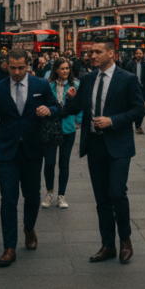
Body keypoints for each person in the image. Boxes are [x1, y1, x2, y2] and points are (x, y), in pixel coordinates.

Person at [61, 39, 145, 263]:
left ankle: (125, 239)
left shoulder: (127, 79)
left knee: (117, 192)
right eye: (90, 52)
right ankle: (108, 244)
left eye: (97, 52)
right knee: (101, 199)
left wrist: (112, 121)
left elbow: (138, 110)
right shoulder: (87, 79)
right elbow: (75, 107)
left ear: (111, 54)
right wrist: (66, 99)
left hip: (119, 145)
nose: (92, 55)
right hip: (95, 146)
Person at [0, 49, 61, 267]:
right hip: (7, 151)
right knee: (8, 199)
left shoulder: (40, 86)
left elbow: (57, 107)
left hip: (33, 150)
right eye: (13, 68)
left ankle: (28, 228)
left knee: (33, 196)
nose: (16, 72)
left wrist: (49, 110)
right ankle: (9, 247)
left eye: (21, 68)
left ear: (28, 66)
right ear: (7, 65)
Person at [43, 57, 81, 208]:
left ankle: (61, 195)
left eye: (67, 68)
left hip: (68, 128)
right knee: (49, 163)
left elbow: (80, 105)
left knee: (64, 163)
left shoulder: (75, 85)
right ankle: (49, 192)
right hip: (51, 128)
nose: (65, 71)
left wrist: (78, 121)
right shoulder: (48, 86)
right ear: (56, 70)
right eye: (62, 68)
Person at [124, 48, 145, 135]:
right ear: (135, 55)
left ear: (143, 55)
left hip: (142, 89)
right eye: (137, 53)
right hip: (132, 89)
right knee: (132, 107)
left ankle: (138, 125)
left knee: (141, 108)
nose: (138, 55)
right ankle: (132, 125)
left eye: (140, 54)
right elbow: (125, 75)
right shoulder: (130, 64)